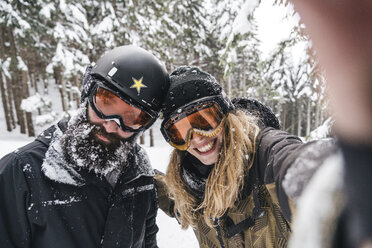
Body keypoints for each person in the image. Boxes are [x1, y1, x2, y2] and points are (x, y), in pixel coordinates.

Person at [0, 45, 169, 248]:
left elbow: (148, 242)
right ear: (88, 94)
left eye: (132, 118)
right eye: (106, 103)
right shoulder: (20, 173)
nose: (112, 124)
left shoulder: (138, 171)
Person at [155, 66, 334, 248]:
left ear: (225, 113)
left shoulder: (266, 155)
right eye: (181, 131)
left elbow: (298, 166)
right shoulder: (190, 184)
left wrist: (334, 182)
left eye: (205, 119)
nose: (197, 137)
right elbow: (175, 199)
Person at [286, 1, 372, 248]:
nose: (197, 136)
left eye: (204, 119)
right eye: (177, 131)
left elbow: (286, 155)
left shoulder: (261, 151)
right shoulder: (186, 180)